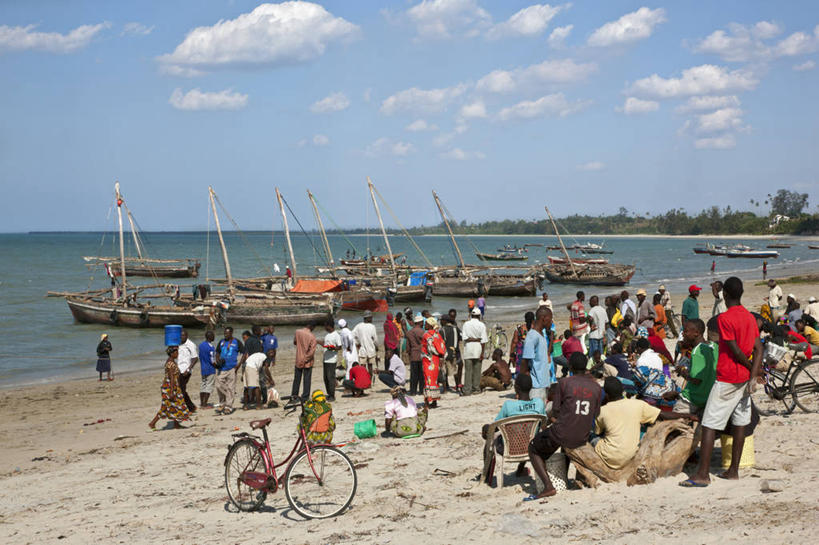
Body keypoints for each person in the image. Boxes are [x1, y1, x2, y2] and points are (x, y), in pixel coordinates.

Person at [681, 276, 762, 487]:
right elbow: (758, 349)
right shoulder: (750, 318)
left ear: (724, 295)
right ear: (741, 293)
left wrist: (749, 370)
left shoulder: (725, 319)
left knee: (709, 424)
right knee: (740, 423)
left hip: (728, 378)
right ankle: (733, 470)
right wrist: (753, 374)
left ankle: (703, 474)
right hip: (745, 380)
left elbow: (734, 351)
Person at [526, 353, 601, 501]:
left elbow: (556, 411)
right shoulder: (596, 387)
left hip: (562, 432)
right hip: (583, 434)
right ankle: (564, 479)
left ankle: (548, 486)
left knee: (533, 447)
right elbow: (596, 413)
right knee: (565, 443)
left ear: (570, 367)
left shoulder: (565, 383)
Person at [593, 377, 695, 469]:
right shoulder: (638, 405)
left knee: (592, 436)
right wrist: (688, 415)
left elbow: (598, 432)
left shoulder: (602, 411)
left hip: (609, 457)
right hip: (630, 456)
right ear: (623, 391)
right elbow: (663, 415)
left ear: (606, 395)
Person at [667, 318, 716, 416]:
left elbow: (696, 379)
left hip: (694, 398)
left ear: (696, 333)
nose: (683, 334)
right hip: (710, 396)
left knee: (674, 419)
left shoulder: (697, 351)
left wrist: (682, 371)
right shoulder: (714, 346)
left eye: (685, 331)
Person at [148, 346, 191, 430]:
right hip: (169, 387)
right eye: (176, 352)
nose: (178, 354)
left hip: (172, 386)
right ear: (172, 354)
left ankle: (176, 424)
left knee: (176, 404)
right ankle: (152, 423)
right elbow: (171, 378)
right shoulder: (170, 364)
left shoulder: (171, 361)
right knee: (166, 406)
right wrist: (171, 391)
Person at [519, 306, 555, 404]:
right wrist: (521, 387)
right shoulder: (532, 336)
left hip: (543, 384)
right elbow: (525, 362)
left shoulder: (541, 335)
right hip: (536, 387)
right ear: (543, 318)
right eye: (550, 319)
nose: (551, 322)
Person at [214, 327, 244, 415]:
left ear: (231, 333)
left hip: (232, 368)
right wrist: (218, 359)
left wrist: (238, 365)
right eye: (224, 333)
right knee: (218, 385)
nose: (225, 335)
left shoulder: (237, 342)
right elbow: (217, 352)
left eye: (227, 333)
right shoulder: (221, 342)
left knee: (231, 387)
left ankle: (228, 406)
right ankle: (223, 403)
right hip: (222, 368)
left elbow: (244, 353)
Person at [461, 307, 488, 396]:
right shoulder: (482, 325)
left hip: (468, 349)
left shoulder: (466, 324)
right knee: (477, 371)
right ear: (479, 316)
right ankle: (476, 389)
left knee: (468, 371)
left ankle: (467, 390)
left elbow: (465, 338)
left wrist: (472, 339)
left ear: (471, 315)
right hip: (478, 348)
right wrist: (482, 352)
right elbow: (483, 341)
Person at [421, 317, 447, 408]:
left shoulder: (426, 335)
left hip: (428, 360)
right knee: (434, 380)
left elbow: (429, 348)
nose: (425, 325)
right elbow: (442, 348)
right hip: (435, 360)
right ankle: (434, 401)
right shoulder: (437, 335)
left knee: (427, 380)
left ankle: (427, 402)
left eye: (426, 323)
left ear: (430, 325)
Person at [292, 323, 317, 401]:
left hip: (298, 359)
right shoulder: (312, 337)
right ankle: (305, 397)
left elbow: (295, 342)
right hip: (307, 362)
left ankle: (294, 396)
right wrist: (305, 359)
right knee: (307, 380)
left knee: (296, 379)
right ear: (311, 327)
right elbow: (311, 352)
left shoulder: (297, 332)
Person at [176, 329, 199, 412]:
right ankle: (191, 407)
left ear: (187, 336)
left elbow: (195, 358)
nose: (182, 337)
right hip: (178, 370)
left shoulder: (191, 345)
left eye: (183, 335)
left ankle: (183, 409)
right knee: (180, 389)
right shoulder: (178, 344)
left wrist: (189, 369)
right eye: (181, 336)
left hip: (186, 371)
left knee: (180, 390)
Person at [321, 321, 342, 401]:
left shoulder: (336, 335)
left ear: (329, 326)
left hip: (332, 360)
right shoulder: (327, 335)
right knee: (325, 377)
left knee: (330, 377)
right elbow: (325, 344)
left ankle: (332, 395)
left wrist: (332, 348)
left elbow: (339, 347)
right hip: (326, 359)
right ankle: (329, 393)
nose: (324, 328)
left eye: (325, 326)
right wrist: (319, 342)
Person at [353, 311, 378, 376]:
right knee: (370, 366)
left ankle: (363, 379)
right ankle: (369, 380)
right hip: (371, 350)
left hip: (362, 350)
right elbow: (375, 339)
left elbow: (352, 335)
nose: (372, 319)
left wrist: (357, 342)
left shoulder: (358, 326)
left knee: (362, 367)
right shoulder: (372, 326)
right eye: (371, 317)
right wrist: (376, 346)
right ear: (368, 318)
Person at [440, 316, 462, 393]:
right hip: (454, 352)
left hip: (445, 353)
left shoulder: (442, 330)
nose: (440, 322)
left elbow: (440, 342)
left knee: (444, 371)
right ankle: (457, 386)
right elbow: (461, 338)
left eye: (441, 320)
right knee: (455, 371)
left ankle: (445, 388)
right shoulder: (456, 329)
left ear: (444, 321)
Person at [406, 314, 425, 396]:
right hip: (421, 355)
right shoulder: (422, 332)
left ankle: (413, 391)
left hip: (413, 354)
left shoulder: (409, 332)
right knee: (421, 374)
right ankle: (421, 390)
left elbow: (408, 347)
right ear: (420, 322)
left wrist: (409, 353)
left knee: (413, 375)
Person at [198, 331, 216, 409]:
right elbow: (212, 360)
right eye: (213, 335)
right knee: (209, 386)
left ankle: (202, 403)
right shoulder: (211, 347)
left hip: (203, 368)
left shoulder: (201, 345)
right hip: (210, 368)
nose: (214, 337)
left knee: (203, 385)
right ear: (210, 337)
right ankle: (205, 404)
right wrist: (217, 365)